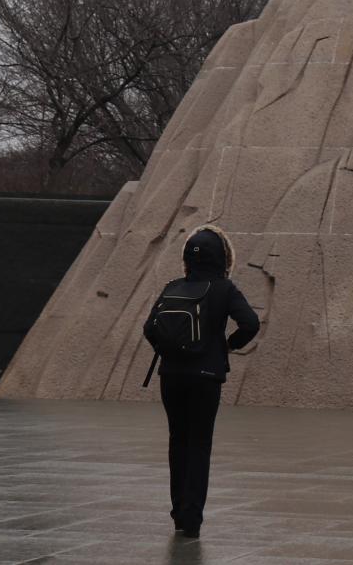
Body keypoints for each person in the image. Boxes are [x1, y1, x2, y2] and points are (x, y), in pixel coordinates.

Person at [144, 225, 258, 539]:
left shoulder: (173, 286)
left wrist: (170, 351)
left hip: (171, 376)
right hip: (205, 378)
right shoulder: (225, 289)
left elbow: (149, 329)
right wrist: (228, 345)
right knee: (199, 444)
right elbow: (250, 323)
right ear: (223, 257)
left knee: (178, 441)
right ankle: (192, 519)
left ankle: (179, 514)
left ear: (187, 258)